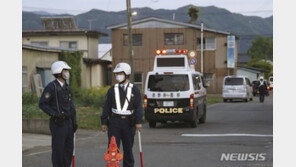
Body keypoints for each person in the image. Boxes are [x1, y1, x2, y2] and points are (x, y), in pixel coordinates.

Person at [101, 62, 143, 167]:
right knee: (112, 149)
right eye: (116, 74)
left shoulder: (135, 89)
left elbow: (138, 107)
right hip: (114, 122)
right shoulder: (112, 89)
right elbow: (106, 106)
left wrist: (138, 121)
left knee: (128, 149)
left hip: (129, 122)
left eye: (120, 73)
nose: (117, 76)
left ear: (126, 74)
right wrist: (104, 122)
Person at [39, 61, 78, 167]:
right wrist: (54, 114)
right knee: (58, 151)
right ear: (58, 72)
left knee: (69, 150)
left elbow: (71, 106)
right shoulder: (51, 87)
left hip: (69, 123)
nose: (67, 73)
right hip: (58, 124)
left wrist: (74, 122)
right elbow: (42, 104)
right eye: (65, 70)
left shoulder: (67, 87)